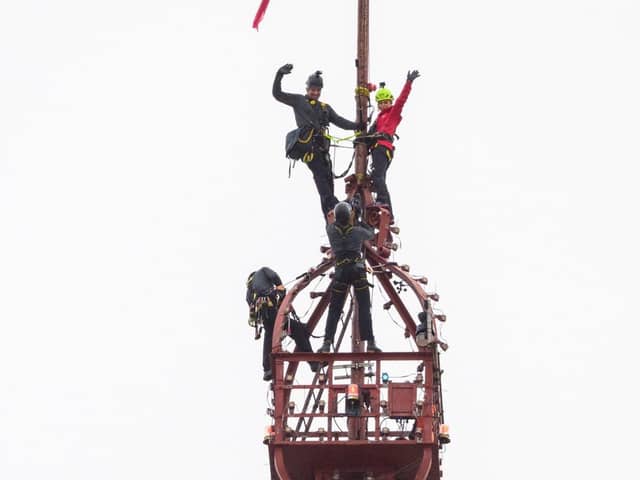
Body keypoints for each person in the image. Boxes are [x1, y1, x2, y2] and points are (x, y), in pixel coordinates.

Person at [273, 64, 362, 219]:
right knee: (321, 180)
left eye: (317, 90)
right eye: (312, 90)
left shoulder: (324, 108)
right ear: (307, 89)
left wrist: (358, 126)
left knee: (328, 181)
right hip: (311, 151)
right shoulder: (299, 101)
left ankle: (332, 217)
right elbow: (277, 94)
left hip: (323, 151)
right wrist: (279, 75)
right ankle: (335, 207)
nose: (315, 93)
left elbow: (340, 121)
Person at [318, 202, 382, 353]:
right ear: (349, 216)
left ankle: (327, 343)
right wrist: (359, 219)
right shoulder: (357, 232)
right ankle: (370, 342)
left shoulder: (330, 230)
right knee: (364, 306)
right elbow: (370, 233)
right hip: (357, 271)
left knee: (334, 308)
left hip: (340, 272)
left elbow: (334, 222)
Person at [246, 267, 318, 381]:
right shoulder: (262, 272)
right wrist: (280, 288)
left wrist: (282, 303)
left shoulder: (249, 293)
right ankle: (313, 362)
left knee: (270, 336)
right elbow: (273, 276)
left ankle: (267, 369)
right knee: (297, 329)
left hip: (265, 316)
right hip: (270, 312)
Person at [368, 70, 420, 220]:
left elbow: (402, 100)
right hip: (378, 149)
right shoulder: (378, 119)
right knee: (378, 178)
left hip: (383, 148)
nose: (384, 104)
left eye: (387, 102)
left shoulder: (393, 113)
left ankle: (383, 202)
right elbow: (368, 136)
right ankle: (388, 214)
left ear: (390, 102)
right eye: (381, 102)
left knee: (377, 176)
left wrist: (408, 83)